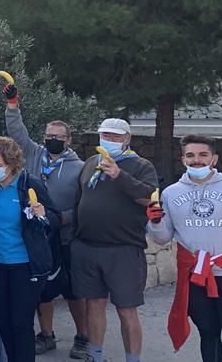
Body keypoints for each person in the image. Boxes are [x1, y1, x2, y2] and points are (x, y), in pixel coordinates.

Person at [1, 81, 88, 356]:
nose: (53, 139)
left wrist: (62, 219)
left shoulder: (80, 168)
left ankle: (83, 336)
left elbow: (84, 205)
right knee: (43, 289)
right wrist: (12, 105)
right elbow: (17, 131)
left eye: (59, 136)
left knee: (73, 291)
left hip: (65, 235)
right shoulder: (34, 154)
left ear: (68, 140)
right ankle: (47, 334)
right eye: (49, 134)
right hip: (37, 235)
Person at [147, 134, 222, 362]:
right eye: (190, 155)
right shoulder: (171, 193)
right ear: (183, 159)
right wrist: (154, 222)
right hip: (195, 279)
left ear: (214, 158)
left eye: (203, 155)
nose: (197, 160)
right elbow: (163, 238)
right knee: (208, 334)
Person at [72, 118, 158, 362]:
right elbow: (79, 200)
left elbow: (149, 198)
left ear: (127, 139)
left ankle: (133, 359)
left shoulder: (141, 165)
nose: (109, 140)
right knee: (94, 305)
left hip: (123, 249)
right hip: (88, 247)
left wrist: (119, 176)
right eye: (105, 135)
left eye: (116, 136)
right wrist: (75, 238)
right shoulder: (90, 162)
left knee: (126, 310)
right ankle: (95, 356)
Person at [0, 136, 56, 362]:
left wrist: (43, 215)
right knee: (1, 320)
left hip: (24, 264)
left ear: (12, 166)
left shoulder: (29, 185)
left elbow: (55, 218)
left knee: (20, 323)